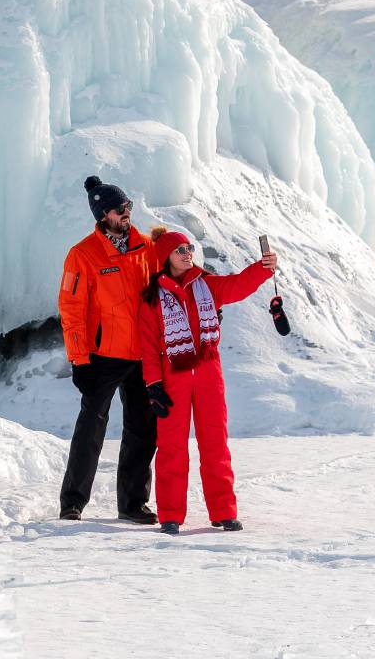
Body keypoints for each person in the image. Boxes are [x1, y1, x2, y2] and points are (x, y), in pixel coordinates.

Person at [135, 226, 277, 535]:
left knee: (215, 444)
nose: (188, 254)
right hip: (173, 378)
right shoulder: (152, 300)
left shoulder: (207, 286)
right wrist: (153, 385)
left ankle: (223, 511)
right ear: (166, 258)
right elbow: (147, 347)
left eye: (189, 248)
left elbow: (238, 286)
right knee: (171, 447)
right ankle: (170, 514)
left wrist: (261, 269)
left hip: (209, 375)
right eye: (180, 250)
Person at [56, 175, 159, 524]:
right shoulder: (82, 254)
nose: (127, 212)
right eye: (120, 208)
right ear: (103, 215)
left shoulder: (146, 247)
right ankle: (72, 502)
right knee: (90, 430)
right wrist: (79, 359)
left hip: (143, 354)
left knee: (143, 431)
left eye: (128, 205)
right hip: (103, 357)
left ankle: (132, 503)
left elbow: (168, 290)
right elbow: (71, 310)